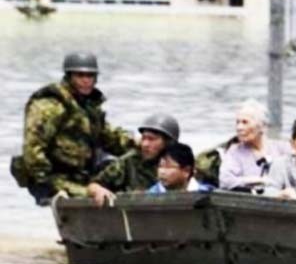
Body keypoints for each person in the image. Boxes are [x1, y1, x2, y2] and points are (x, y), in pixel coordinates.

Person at [10, 52, 135, 205]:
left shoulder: (88, 107)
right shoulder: (50, 105)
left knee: (127, 168)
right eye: (80, 75)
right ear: (69, 76)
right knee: (96, 193)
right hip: (53, 177)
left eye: (90, 76)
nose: (86, 81)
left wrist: (139, 143)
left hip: (82, 173)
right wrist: (49, 186)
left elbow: (108, 137)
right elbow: (33, 150)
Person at [87, 113, 180, 206]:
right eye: (143, 138)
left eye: (152, 139)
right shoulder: (129, 161)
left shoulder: (180, 163)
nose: (145, 144)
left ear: (168, 142)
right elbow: (94, 185)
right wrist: (98, 190)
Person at [219, 99, 289, 192]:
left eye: (245, 122)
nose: (239, 128)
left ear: (262, 126)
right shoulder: (234, 151)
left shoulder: (281, 148)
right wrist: (257, 180)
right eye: (237, 122)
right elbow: (225, 181)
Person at [147, 142, 213, 193]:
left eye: (168, 167)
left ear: (186, 171)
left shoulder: (207, 193)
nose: (162, 172)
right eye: (160, 166)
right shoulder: (150, 196)